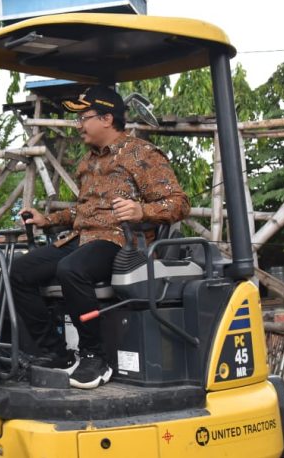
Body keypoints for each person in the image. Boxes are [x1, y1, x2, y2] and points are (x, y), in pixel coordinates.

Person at [12, 85, 190, 389]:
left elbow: (179, 203)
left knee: (71, 269)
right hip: (80, 239)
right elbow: (82, 210)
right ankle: (56, 353)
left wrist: (140, 211)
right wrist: (48, 220)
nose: (78, 125)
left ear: (107, 118)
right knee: (20, 271)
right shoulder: (88, 162)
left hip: (122, 242)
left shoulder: (141, 154)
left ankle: (95, 355)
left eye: (84, 118)